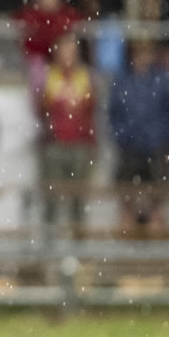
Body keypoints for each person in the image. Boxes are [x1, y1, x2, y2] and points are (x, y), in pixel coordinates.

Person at [109, 40, 169, 233]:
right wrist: (123, 135)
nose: (143, 57)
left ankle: (155, 257)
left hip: (155, 148)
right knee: (126, 202)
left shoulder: (162, 79)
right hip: (129, 149)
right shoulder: (123, 80)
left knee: (156, 204)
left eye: (146, 52)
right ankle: (126, 256)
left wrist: (162, 139)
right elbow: (113, 113)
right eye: (139, 52)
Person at [38, 36, 98, 234]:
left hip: (79, 145)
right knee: (52, 199)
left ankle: (78, 246)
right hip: (55, 144)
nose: (68, 56)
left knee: (78, 200)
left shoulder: (84, 77)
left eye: (71, 52)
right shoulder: (50, 76)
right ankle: (50, 245)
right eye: (64, 51)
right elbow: (41, 109)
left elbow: (90, 110)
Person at [14, 0, 82, 100]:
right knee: (39, 74)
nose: (49, 0)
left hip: (62, 61)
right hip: (39, 60)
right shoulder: (31, 15)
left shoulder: (66, 14)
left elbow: (76, 26)